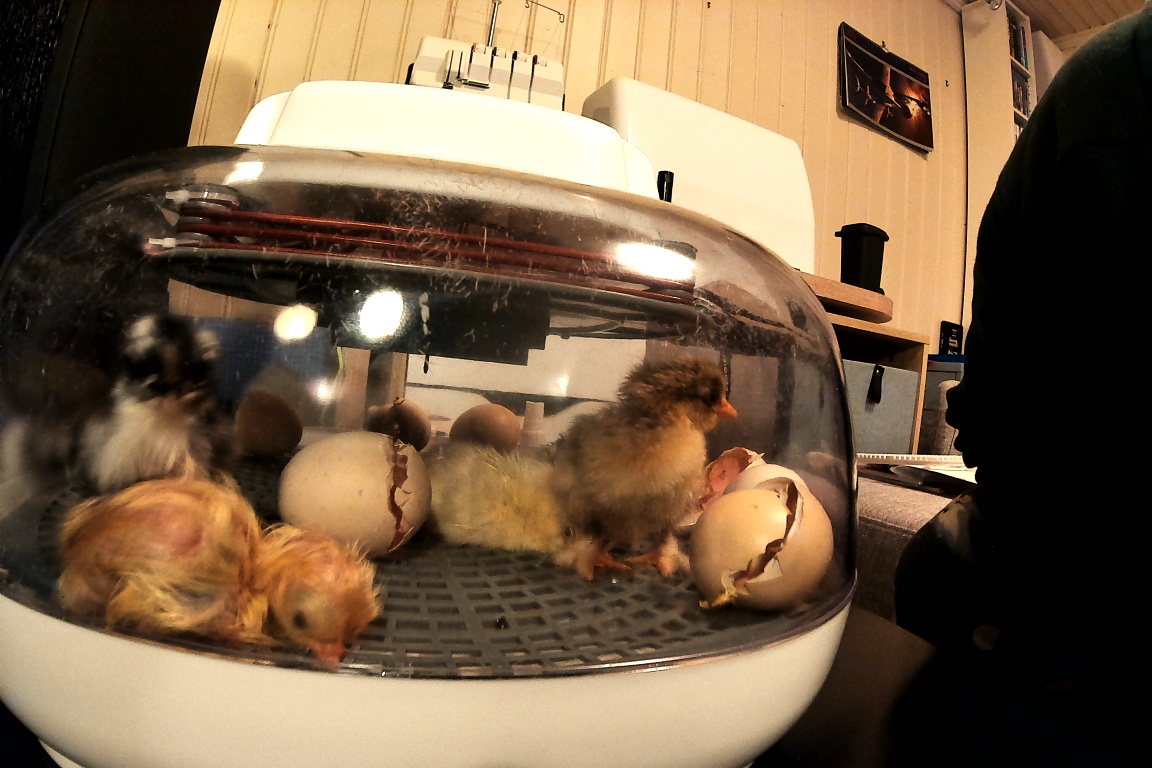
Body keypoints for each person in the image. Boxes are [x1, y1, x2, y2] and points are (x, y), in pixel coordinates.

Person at [891, 6, 1152, 765]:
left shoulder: (1106, 80)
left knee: (932, 570)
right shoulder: (1112, 83)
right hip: (1068, 533)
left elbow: (1000, 392)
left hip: (1067, 560)